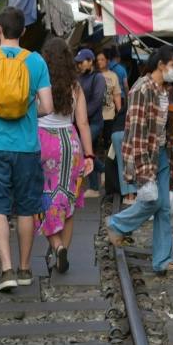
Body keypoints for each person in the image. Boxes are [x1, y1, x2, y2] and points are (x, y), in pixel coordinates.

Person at [0, 6, 53, 292]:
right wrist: (27, 110)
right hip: (27, 146)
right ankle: (26, 269)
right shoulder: (36, 61)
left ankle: (6, 270)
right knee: (27, 208)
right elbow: (48, 107)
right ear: (24, 31)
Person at [105, 49, 173, 276]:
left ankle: (162, 260)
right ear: (161, 64)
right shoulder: (142, 89)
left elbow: (158, 125)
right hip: (145, 154)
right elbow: (137, 132)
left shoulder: (164, 90)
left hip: (162, 152)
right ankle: (117, 224)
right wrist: (144, 171)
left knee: (164, 206)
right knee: (154, 202)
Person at [38, 37, 98, 274]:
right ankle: (62, 251)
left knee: (43, 199)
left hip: (44, 142)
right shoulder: (75, 86)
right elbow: (83, 123)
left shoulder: (39, 83)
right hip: (71, 144)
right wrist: (90, 156)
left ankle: (57, 245)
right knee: (68, 202)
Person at [95, 45, 128, 204]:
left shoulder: (113, 76)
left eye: (102, 59)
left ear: (107, 61)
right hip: (95, 116)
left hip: (110, 115)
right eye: (98, 60)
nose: (100, 62)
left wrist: (121, 115)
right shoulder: (94, 76)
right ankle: (101, 173)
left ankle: (107, 176)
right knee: (96, 148)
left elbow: (117, 96)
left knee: (110, 149)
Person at [75, 46, 105, 198]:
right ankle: (94, 186)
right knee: (88, 150)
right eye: (78, 63)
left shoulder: (98, 78)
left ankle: (104, 170)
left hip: (94, 122)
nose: (79, 65)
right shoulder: (79, 78)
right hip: (81, 122)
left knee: (83, 147)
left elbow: (97, 100)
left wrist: (82, 115)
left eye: (82, 62)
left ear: (90, 61)